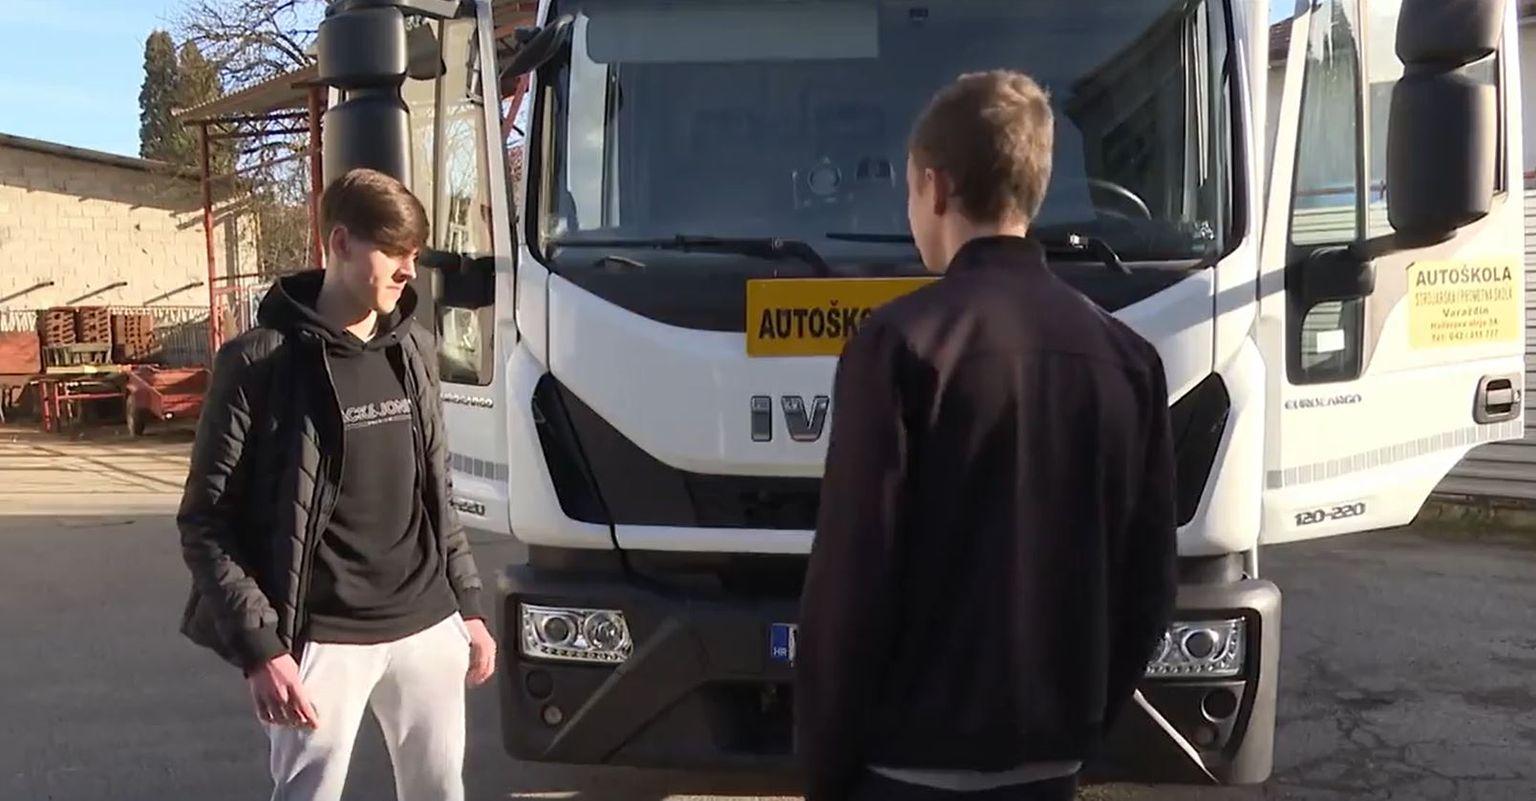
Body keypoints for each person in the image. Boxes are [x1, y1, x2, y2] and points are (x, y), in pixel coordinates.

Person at [794, 70, 1179, 801]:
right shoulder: (1128, 359)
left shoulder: (899, 345)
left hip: (905, 768)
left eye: (909, 190)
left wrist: (824, 767)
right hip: (1051, 766)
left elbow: (850, 585)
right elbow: (1149, 585)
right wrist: (1080, 729)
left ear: (934, 187)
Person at [177, 167, 497, 801]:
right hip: (321, 638)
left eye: (414, 255)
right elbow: (205, 521)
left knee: (440, 792)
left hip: (427, 624)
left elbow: (436, 492)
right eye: (394, 252)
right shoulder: (259, 363)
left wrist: (469, 605)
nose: (408, 271)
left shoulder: (414, 350)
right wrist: (261, 648)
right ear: (341, 243)